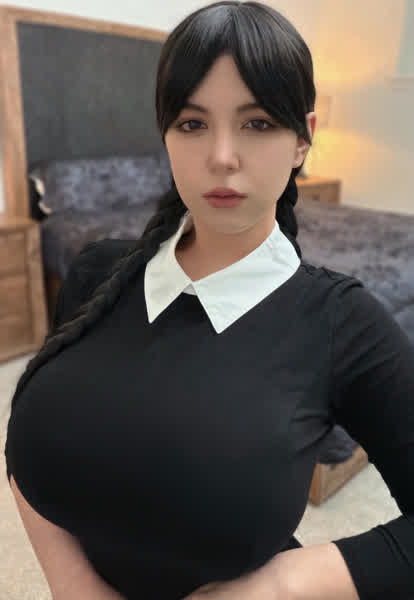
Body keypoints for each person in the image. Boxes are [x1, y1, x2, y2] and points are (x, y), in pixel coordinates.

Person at [4, 1, 414, 599]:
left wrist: (282, 584)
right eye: (192, 124)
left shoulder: (343, 323)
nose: (222, 156)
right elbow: (28, 434)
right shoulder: (97, 272)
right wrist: (78, 588)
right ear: (166, 135)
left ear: (303, 139)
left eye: (258, 123)